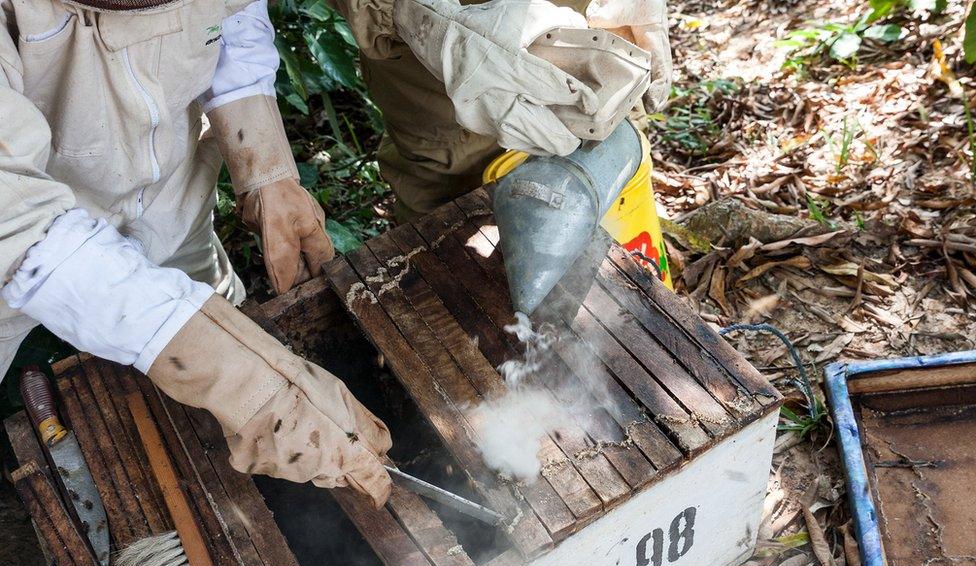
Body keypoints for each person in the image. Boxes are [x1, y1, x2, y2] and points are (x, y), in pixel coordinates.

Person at [0, 0, 661, 509]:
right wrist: (239, 376)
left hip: (168, 203)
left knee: (210, 357)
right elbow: (20, 226)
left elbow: (229, 21)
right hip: (14, 232)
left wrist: (266, 168)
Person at [331, 0, 673, 220]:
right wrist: (410, 12)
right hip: (438, 67)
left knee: (611, 178)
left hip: (593, 52)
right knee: (449, 231)